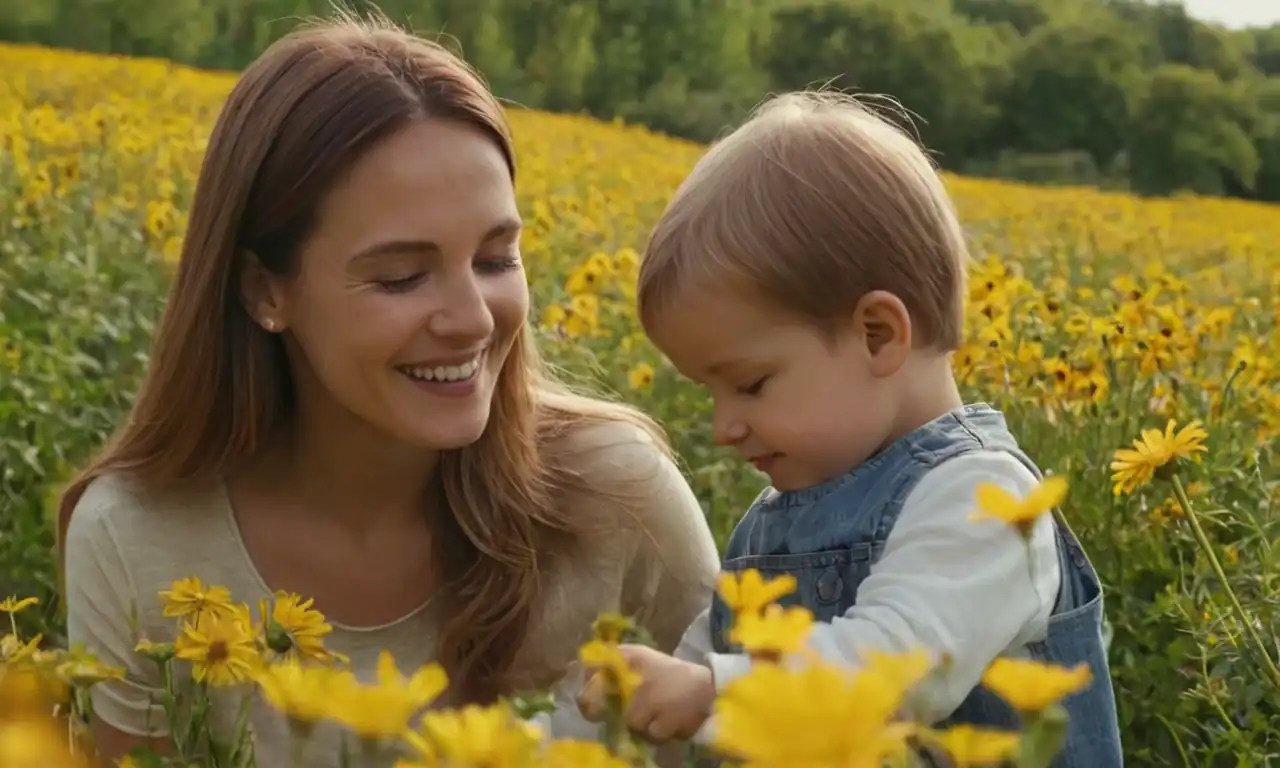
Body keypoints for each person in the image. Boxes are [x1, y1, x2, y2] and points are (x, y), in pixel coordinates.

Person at [58, 13, 719, 768]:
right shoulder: (140, 538)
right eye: (402, 276)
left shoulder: (616, 496)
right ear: (263, 291)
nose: (472, 320)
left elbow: (767, 728)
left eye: (497, 259)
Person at [577, 91, 1123, 767]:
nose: (723, 427)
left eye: (749, 385)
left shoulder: (988, 504)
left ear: (877, 334)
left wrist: (710, 693)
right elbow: (692, 671)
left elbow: (891, 671)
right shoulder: (773, 521)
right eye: (709, 393)